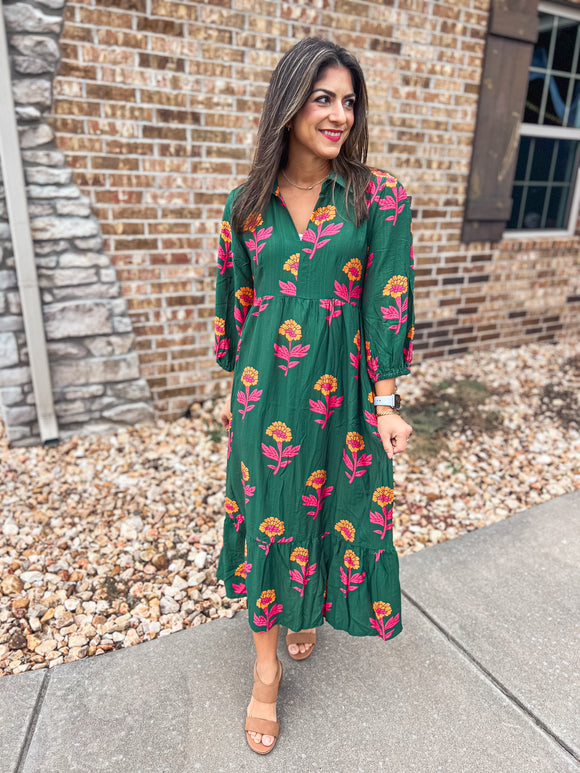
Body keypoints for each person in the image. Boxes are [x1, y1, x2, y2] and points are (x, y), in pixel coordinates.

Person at [213, 37, 414, 754]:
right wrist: (242, 385)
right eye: (323, 98)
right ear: (289, 103)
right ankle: (265, 671)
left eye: (348, 101)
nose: (339, 115)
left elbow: (387, 299)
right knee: (271, 513)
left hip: (344, 390)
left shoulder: (377, 196)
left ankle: (305, 609)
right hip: (265, 393)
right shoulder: (246, 204)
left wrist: (386, 402)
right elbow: (236, 306)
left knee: (334, 505)